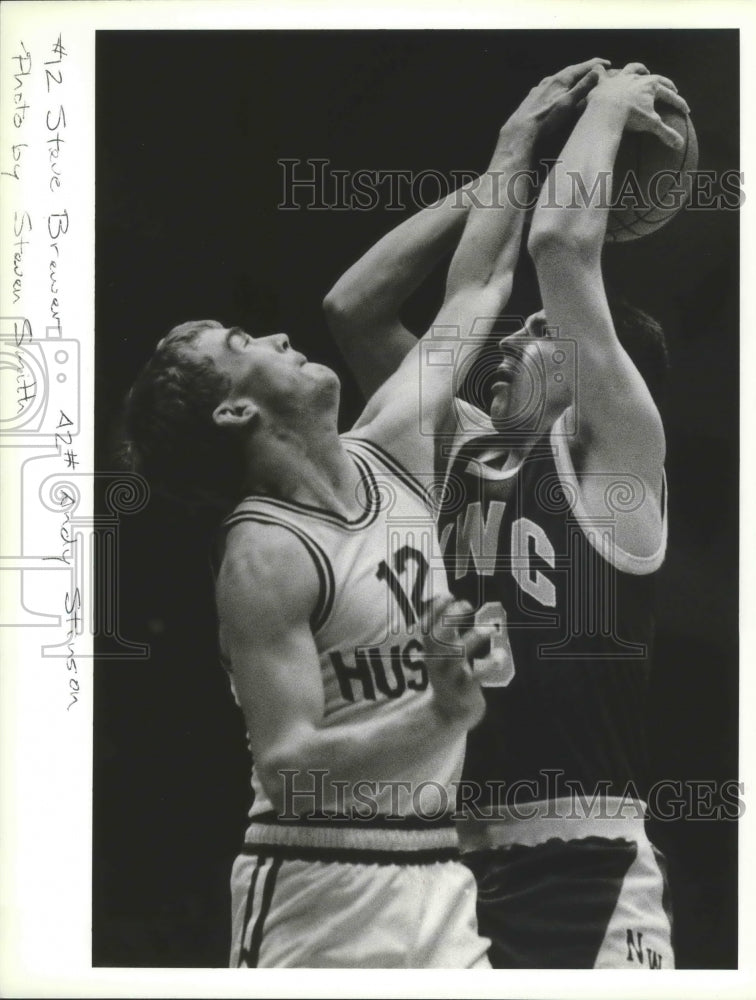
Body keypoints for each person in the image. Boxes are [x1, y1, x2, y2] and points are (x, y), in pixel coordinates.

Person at [120, 60, 606, 968]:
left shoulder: (391, 447)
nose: (272, 335)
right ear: (235, 413)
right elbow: (290, 769)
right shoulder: (264, 552)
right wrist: (439, 710)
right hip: (318, 888)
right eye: (241, 344)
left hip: (436, 881)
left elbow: (476, 291)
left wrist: (514, 143)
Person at [325, 62, 688, 968]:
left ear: (590, 368)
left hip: (584, 860)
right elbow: (357, 309)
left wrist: (608, 104)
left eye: (537, 332)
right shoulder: (460, 448)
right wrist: (507, 162)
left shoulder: (617, 460)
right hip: (445, 857)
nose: (510, 337)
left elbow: (562, 247)